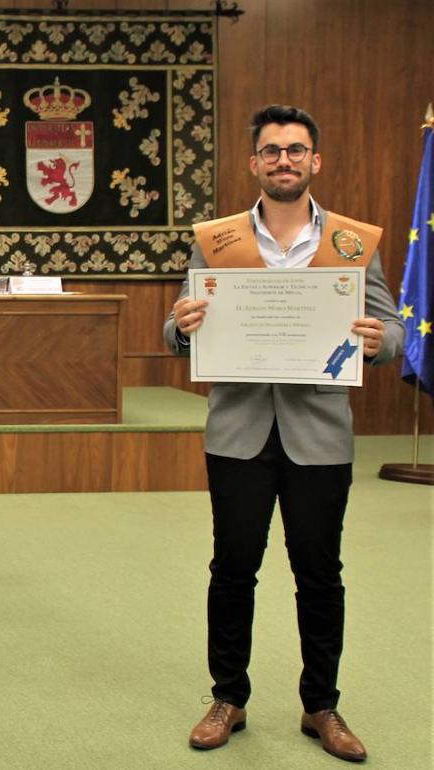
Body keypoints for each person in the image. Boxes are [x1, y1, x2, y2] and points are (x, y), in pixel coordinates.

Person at [164, 105, 403, 763]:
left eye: (296, 151)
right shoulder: (218, 241)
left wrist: (383, 341)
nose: (284, 161)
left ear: (315, 161)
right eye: (271, 151)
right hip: (237, 433)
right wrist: (181, 324)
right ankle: (227, 698)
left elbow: (392, 331)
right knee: (232, 569)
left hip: (319, 436)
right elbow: (175, 328)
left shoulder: (351, 243)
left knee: (319, 573)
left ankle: (321, 706)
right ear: (254, 163)